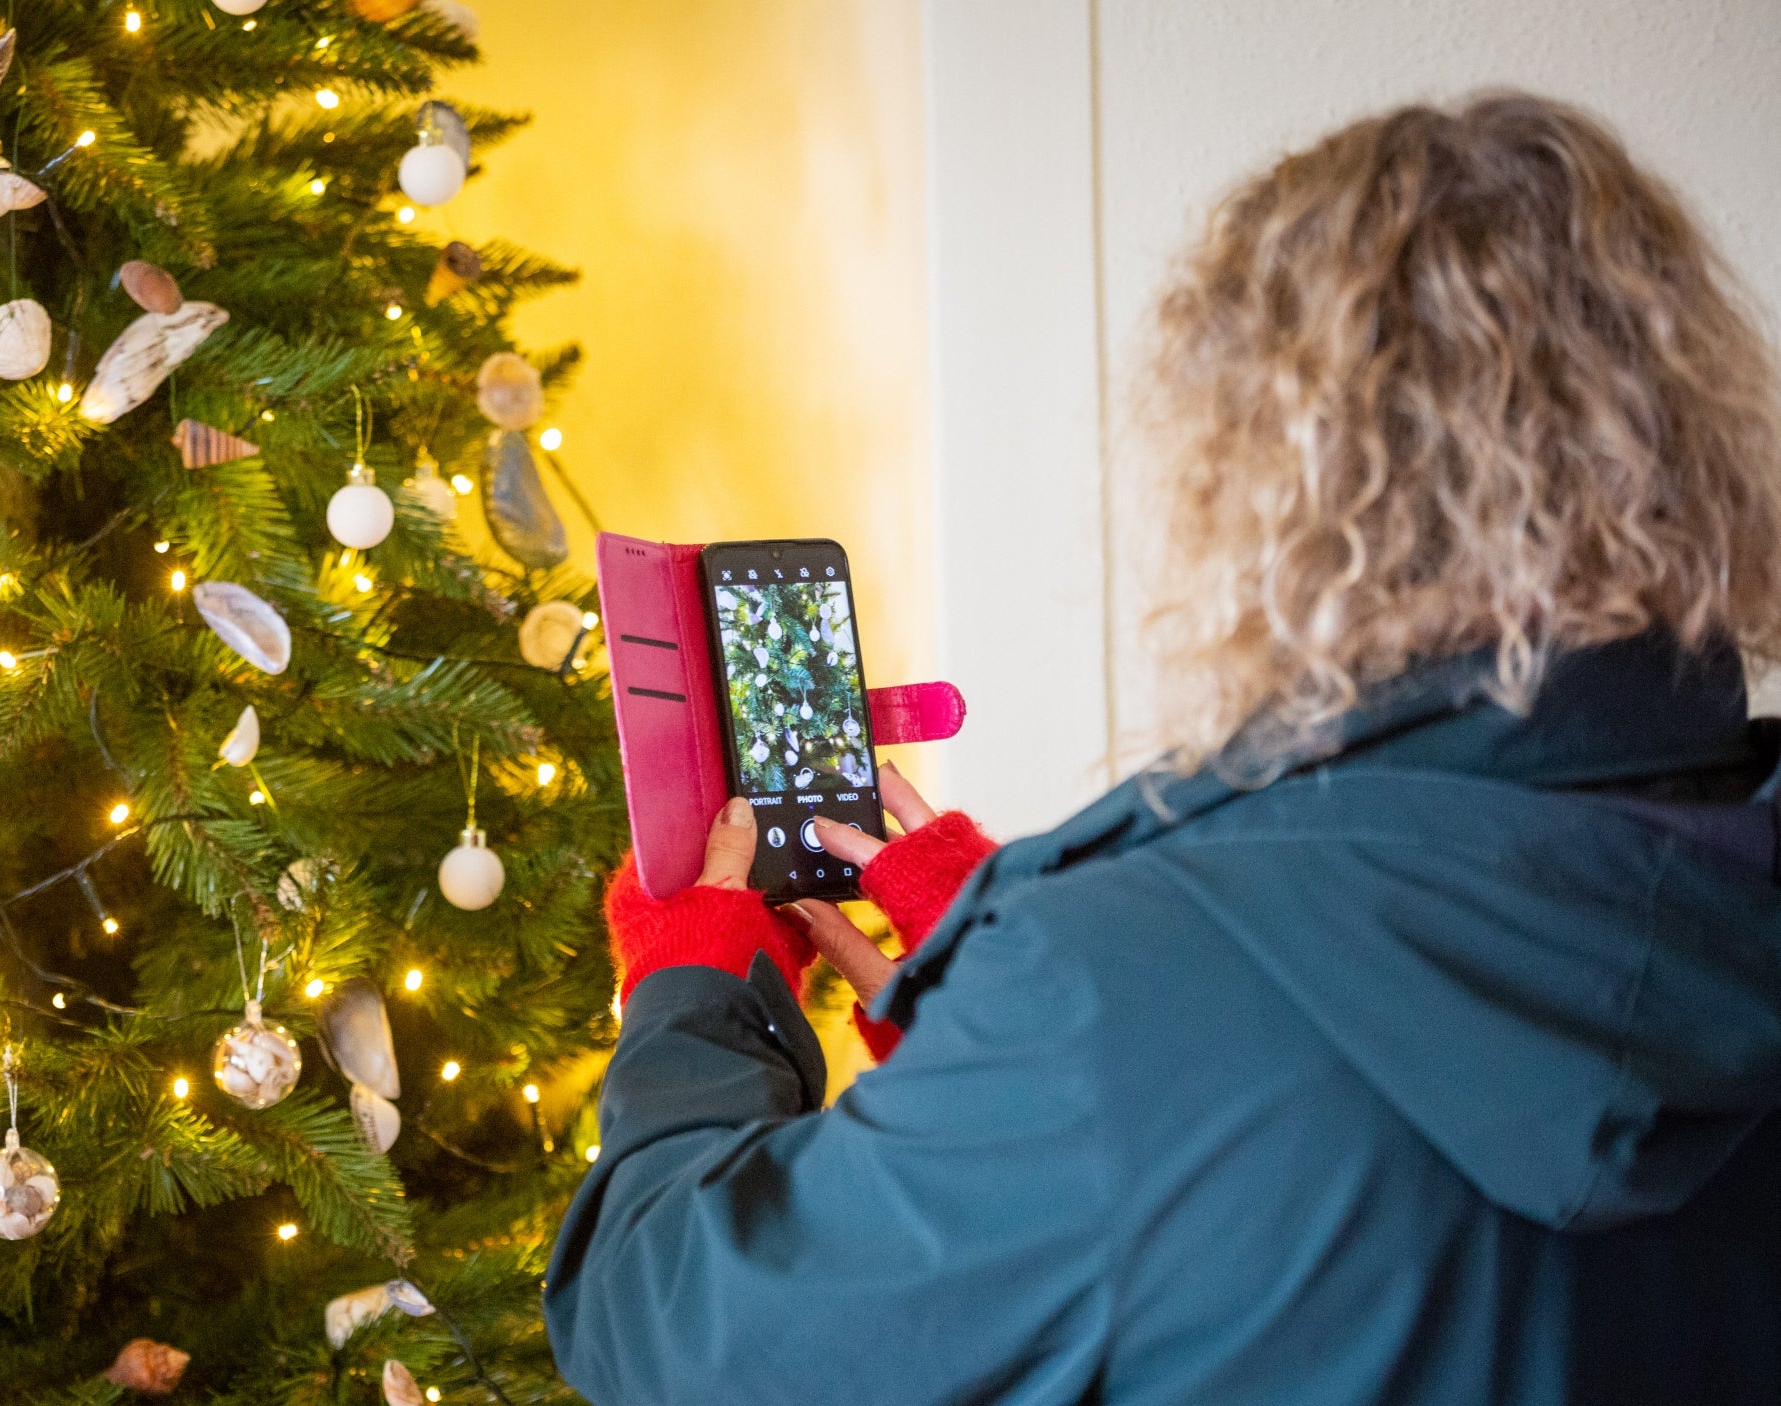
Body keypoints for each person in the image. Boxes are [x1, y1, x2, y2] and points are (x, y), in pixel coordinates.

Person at [544, 92, 1781, 1405]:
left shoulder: (1113, 1008)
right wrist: (1019, 977)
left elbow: (681, 1338)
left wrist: (695, 993)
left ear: (1262, 477)